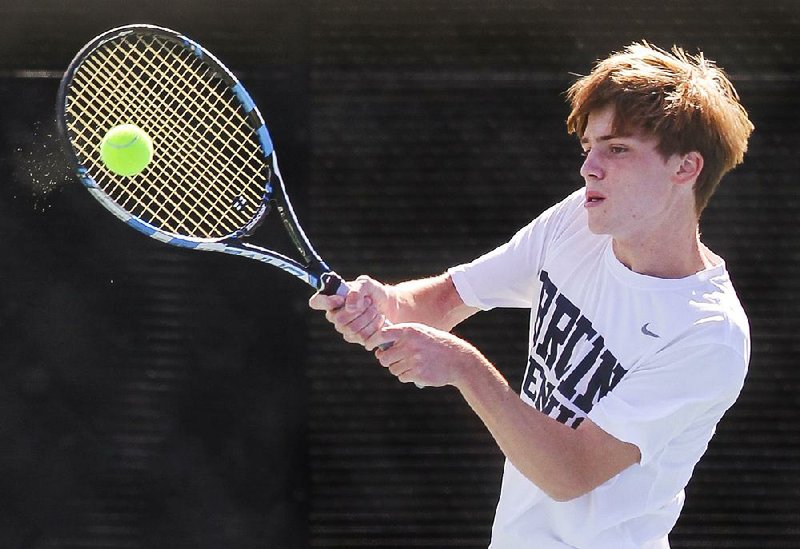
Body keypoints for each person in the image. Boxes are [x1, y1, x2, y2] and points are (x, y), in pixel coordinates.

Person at [309, 42, 754, 549]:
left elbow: (569, 473)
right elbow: (445, 300)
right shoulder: (580, 221)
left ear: (686, 168)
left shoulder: (708, 335)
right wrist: (378, 302)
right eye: (589, 147)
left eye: (618, 149)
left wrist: (463, 367)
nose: (590, 168)